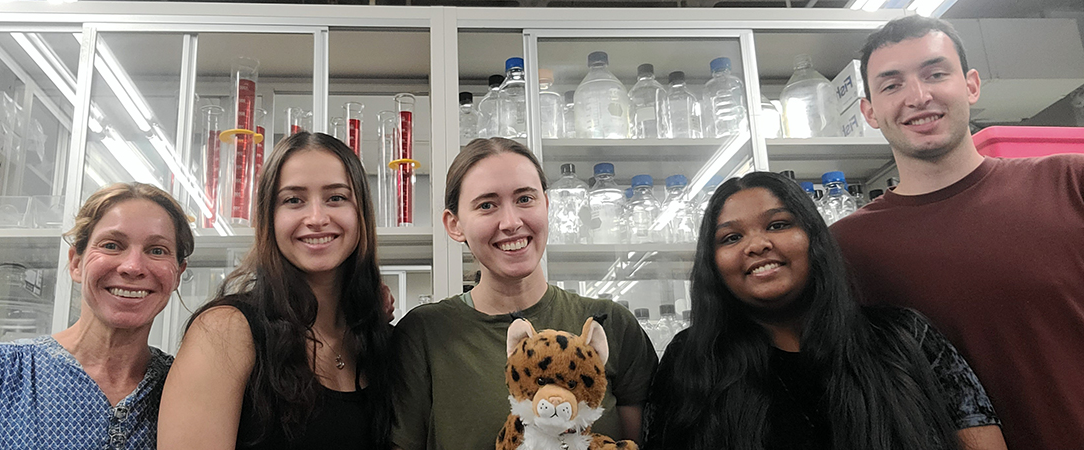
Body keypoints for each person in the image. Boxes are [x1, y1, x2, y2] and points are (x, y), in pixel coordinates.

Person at [831, 15, 1084, 450]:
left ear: (970, 84)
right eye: (891, 85)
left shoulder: (1070, 182)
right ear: (869, 112)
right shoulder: (845, 249)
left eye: (935, 74)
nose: (918, 96)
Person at [643, 172, 1005, 450]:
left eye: (778, 224)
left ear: (814, 237)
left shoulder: (906, 337)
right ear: (713, 264)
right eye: (731, 238)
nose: (757, 244)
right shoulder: (690, 361)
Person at [390, 138, 657, 450]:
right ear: (455, 224)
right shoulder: (424, 335)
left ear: (546, 204)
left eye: (525, 199)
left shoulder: (611, 325)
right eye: (486, 205)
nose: (511, 222)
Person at [0, 182, 193, 449]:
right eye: (112, 245)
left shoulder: (187, 389)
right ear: (76, 263)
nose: (132, 266)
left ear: (178, 274)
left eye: (157, 250)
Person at [158, 132, 392, 449]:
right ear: (270, 218)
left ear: (361, 212)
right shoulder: (225, 330)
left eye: (336, 197)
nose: (317, 218)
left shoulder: (377, 339)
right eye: (293, 200)